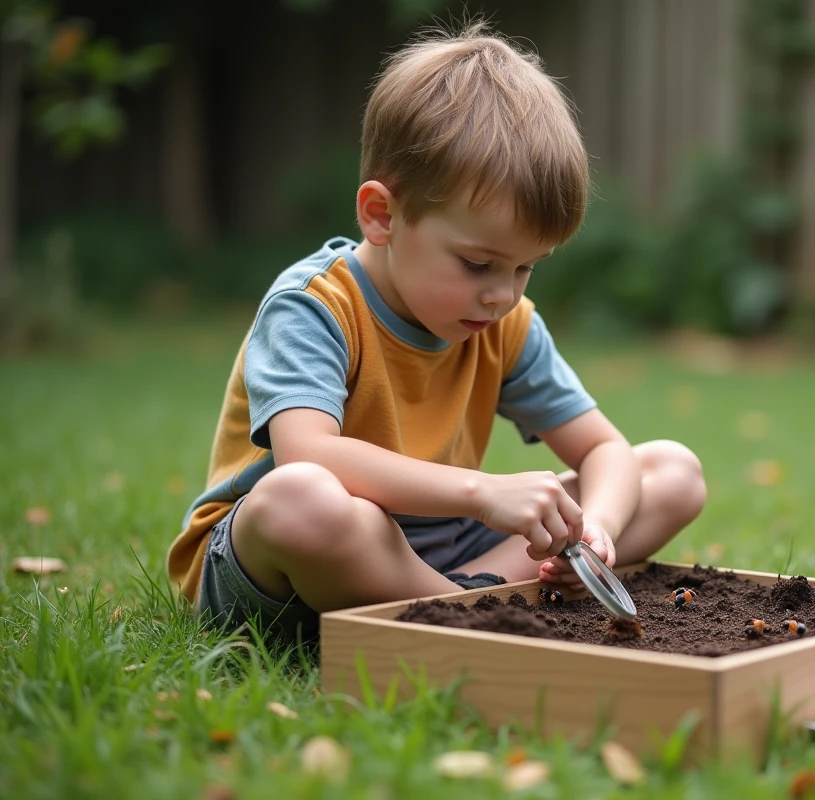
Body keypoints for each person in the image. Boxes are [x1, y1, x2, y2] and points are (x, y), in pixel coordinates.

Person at [166, 23, 706, 645]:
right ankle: (467, 612)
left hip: (446, 552)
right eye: (478, 264)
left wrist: (597, 529)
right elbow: (308, 455)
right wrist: (481, 493)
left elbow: (604, 450)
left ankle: (458, 604)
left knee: (672, 471)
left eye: (525, 267)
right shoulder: (315, 307)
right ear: (382, 216)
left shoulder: (503, 322)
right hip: (284, 568)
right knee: (300, 499)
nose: (503, 294)